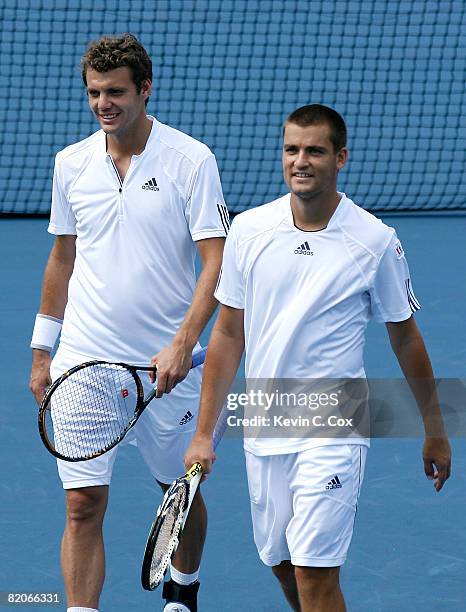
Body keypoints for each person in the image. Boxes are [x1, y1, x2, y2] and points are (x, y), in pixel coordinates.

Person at [184, 104, 451, 611]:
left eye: (314, 150)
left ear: (340, 157)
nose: (300, 161)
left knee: (313, 570)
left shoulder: (374, 241)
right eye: (291, 149)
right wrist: (203, 432)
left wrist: (435, 427)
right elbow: (227, 334)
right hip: (265, 424)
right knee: (281, 562)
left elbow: (406, 339)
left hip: (335, 427)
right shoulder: (249, 231)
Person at [29, 33, 229, 612]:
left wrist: (182, 343)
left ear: (145, 88)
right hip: (85, 362)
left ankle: (182, 592)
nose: (103, 104)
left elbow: (216, 259)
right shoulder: (70, 164)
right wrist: (43, 351)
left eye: (115, 91)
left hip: (169, 366)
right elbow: (62, 257)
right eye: (93, 93)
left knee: (179, 493)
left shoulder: (192, 160)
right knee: (81, 505)